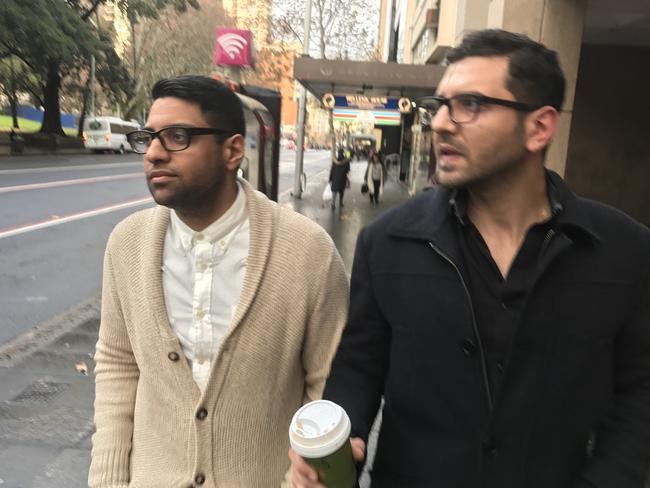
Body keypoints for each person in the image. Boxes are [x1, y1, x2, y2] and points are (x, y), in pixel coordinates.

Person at [289, 29, 650, 488]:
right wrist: (344, 443)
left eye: (470, 105)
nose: (440, 123)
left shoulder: (621, 250)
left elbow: (639, 390)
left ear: (539, 127)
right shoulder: (388, 242)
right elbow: (359, 368)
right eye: (440, 105)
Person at [89, 75, 349, 488]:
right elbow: (118, 363)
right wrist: (107, 480)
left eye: (177, 137)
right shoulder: (127, 244)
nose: (154, 153)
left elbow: (326, 385)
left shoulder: (307, 252)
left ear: (232, 151)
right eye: (148, 137)